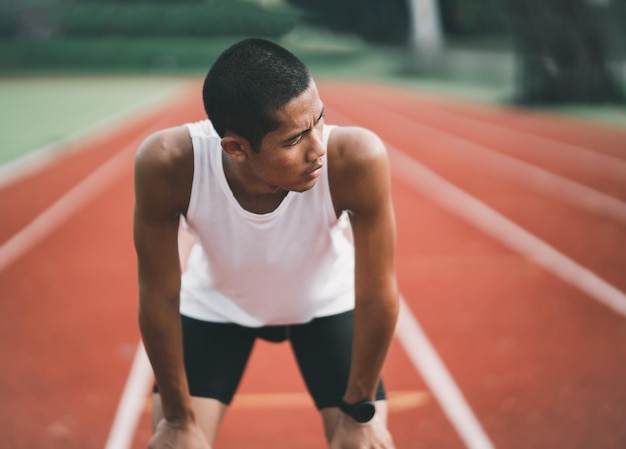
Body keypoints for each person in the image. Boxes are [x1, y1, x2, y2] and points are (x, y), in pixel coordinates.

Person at [133, 38, 399, 449]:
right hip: (218, 305)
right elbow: (159, 297)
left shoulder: (356, 159)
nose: (318, 149)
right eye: (295, 140)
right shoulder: (169, 163)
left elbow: (377, 294)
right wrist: (177, 420)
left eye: (320, 120)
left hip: (325, 302)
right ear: (236, 148)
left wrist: (360, 411)